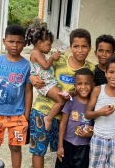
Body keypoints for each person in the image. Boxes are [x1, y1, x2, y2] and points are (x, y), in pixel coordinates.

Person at [29, 28, 95, 168]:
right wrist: (32, 77)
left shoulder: (91, 69)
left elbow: (92, 93)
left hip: (67, 118)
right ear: (70, 47)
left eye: (84, 46)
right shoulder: (58, 60)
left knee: (63, 154)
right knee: (39, 151)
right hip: (43, 110)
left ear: (90, 48)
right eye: (76, 46)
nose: (80, 50)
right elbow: (38, 68)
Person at [0, 24, 33, 168]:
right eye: (11, 41)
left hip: (18, 116)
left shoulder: (27, 66)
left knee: (16, 147)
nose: (15, 45)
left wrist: (26, 115)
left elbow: (28, 91)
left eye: (19, 42)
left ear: (24, 43)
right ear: (4, 41)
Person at [85, 55, 115, 168]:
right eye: (111, 72)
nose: (114, 76)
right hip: (98, 138)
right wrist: (99, 113)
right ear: (106, 73)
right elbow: (87, 114)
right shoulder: (97, 90)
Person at [26, 27, 65, 131]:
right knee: (61, 100)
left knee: (63, 98)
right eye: (49, 44)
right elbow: (45, 66)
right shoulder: (36, 53)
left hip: (48, 83)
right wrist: (52, 57)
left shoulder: (39, 53)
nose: (50, 47)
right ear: (39, 43)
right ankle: (49, 118)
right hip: (45, 85)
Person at [55, 68, 95, 168]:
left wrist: (91, 133)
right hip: (67, 144)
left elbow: (97, 126)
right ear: (75, 86)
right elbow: (63, 124)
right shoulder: (70, 102)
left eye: (87, 83)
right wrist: (60, 146)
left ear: (93, 85)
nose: (83, 87)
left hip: (85, 147)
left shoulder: (95, 105)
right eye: (79, 84)